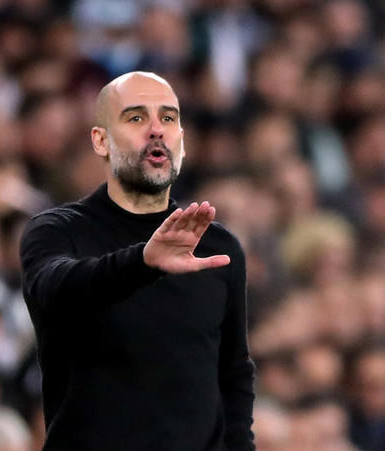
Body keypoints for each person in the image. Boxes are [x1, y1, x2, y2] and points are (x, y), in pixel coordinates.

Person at [19, 71, 255, 450]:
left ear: (182, 141)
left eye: (168, 118)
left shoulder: (217, 245)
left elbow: (233, 374)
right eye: (135, 118)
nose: (156, 130)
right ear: (101, 141)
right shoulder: (57, 231)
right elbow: (55, 289)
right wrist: (142, 263)